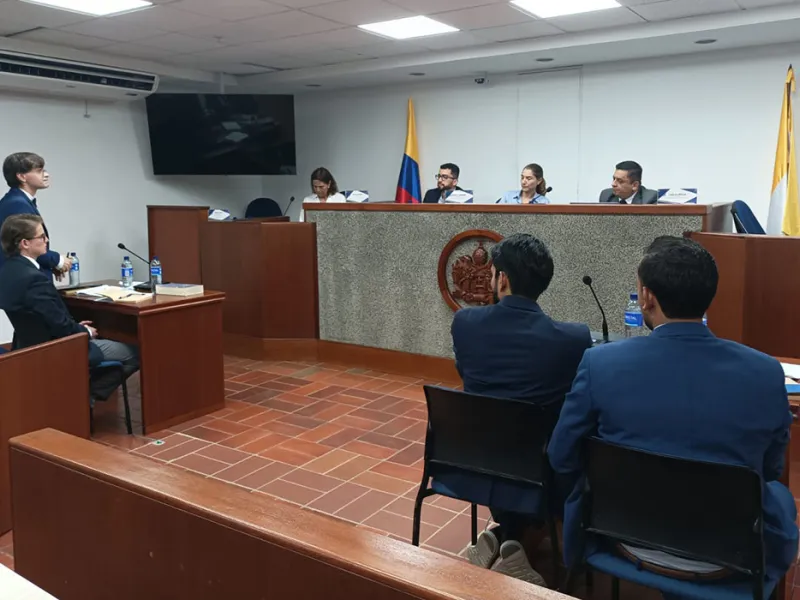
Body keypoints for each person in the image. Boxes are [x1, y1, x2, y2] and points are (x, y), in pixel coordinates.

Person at [548, 236, 797, 594]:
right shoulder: (765, 373)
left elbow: (561, 455)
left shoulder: (600, 364)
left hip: (622, 535)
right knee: (781, 498)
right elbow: (771, 468)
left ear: (646, 297)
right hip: (732, 554)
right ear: (710, 294)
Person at [441, 233, 592, 585]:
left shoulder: (465, 324)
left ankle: (504, 536)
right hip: (539, 467)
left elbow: (467, 374)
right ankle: (515, 540)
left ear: (502, 278)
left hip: (472, 459)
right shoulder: (574, 338)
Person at [0, 214, 139, 402]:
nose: (46, 240)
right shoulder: (34, 279)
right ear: (25, 243)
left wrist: (75, 326)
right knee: (134, 353)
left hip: (26, 346)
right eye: (41, 236)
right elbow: (61, 328)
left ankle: (76, 397)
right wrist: (85, 331)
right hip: (57, 349)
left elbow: (45, 318)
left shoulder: (7, 271)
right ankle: (83, 399)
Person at [0, 152, 71, 276]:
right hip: (24, 278)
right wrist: (58, 261)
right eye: (39, 171)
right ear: (22, 177)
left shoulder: (17, 200)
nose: (46, 174)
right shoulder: (17, 204)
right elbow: (26, 246)